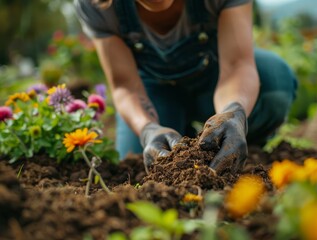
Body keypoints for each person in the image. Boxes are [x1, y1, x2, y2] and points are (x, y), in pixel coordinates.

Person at [74, 0, 297, 173]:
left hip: (215, 76)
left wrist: (233, 113)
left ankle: (242, 143)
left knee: (273, 83)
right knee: (134, 160)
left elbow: (237, 65)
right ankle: (183, 134)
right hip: (154, 90)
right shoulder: (96, 5)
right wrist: (147, 129)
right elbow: (125, 85)